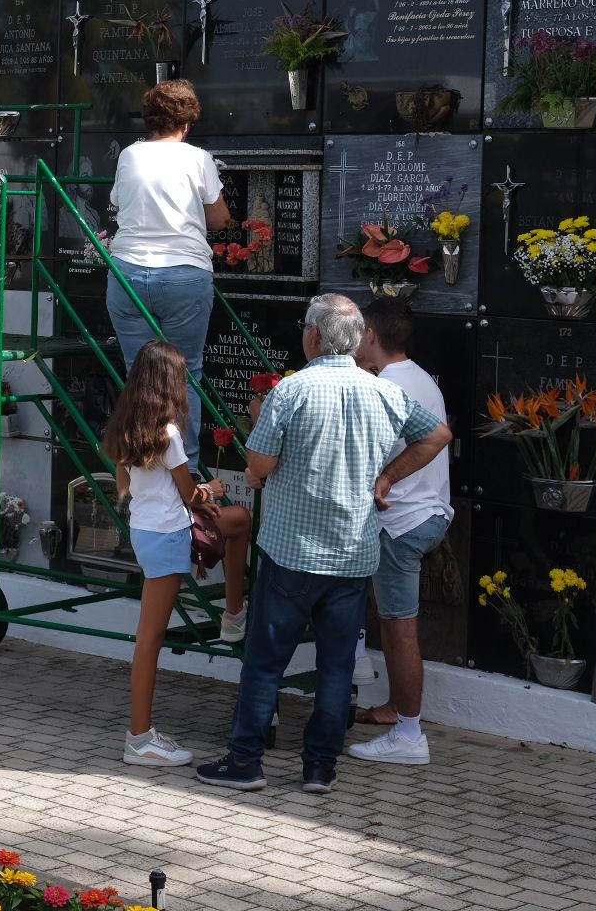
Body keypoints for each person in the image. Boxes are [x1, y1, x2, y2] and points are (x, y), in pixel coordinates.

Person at [195, 294, 451, 795]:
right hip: (354, 555)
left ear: (314, 337)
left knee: (266, 660)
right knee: (336, 667)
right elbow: (437, 435)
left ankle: (246, 761)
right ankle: (319, 769)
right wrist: (385, 480)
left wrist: (258, 446)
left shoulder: (292, 391)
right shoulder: (384, 393)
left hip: (293, 552)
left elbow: (261, 465)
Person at [105, 340, 253, 767]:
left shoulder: (125, 425)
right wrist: (212, 490)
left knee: (238, 521)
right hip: (170, 534)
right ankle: (139, 738)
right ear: (169, 382)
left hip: (146, 531)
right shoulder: (168, 433)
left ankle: (232, 614)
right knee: (149, 640)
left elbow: (125, 486)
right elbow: (190, 494)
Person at [347, 298, 453, 766]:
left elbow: (374, 459)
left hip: (402, 523)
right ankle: (394, 709)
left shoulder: (387, 386)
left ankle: (410, 734)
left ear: (370, 333)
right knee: (391, 624)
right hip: (427, 513)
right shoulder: (418, 376)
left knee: (399, 626)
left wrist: (385, 478)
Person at [105, 80, 231, 470]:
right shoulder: (198, 159)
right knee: (185, 373)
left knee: (138, 372)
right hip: (183, 276)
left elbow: (117, 202)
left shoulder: (129, 155)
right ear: (188, 122)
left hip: (127, 274)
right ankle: (185, 470)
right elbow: (218, 218)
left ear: (151, 119)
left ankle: (141, 467)